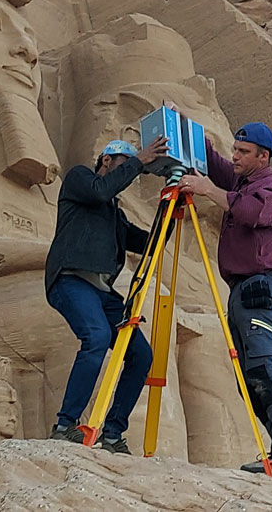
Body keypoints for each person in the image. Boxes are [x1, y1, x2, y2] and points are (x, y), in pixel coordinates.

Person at [177, 121, 272, 479]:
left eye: (243, 152)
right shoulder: (242, 182)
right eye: (235, 149)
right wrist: (182, 122)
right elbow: (213, 161)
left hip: (261, 286)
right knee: (247, 376)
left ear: (263, 157)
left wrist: (208, 190)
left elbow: (250, 213)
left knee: (264, 366)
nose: (235, 156)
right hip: (241, 290)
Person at [45, 136, 169, 454]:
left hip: (101, 291)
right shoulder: (80, 179)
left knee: (141, 355)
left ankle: (112, 434)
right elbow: (101, 191)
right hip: (70, 278)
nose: (128, 172)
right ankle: (64, 425)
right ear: (107, 161)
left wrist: (171, 203)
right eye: (124, 165)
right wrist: (140, 160)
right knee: (97, 337)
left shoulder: (114, 214)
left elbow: (149, 243)